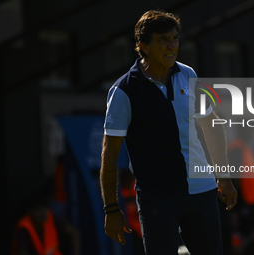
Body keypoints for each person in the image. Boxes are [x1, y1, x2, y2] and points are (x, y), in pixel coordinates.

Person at [100, 10, 237, 255]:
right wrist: (111, 208)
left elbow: (211, 125)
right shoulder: (123, 91)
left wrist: (223, 176)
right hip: (157, 197)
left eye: (174, 38)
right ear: (143, 45)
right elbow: (110, 154)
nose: (172, 45)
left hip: (202, 190)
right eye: (163, 39)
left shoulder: (188, 74)